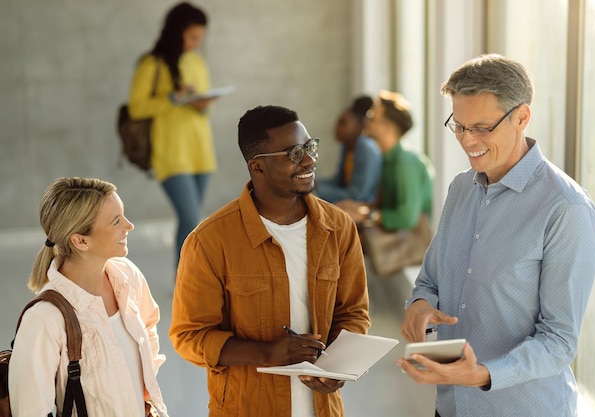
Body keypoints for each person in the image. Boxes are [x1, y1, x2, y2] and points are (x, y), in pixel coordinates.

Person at [397, 54, 595, 417]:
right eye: (458, 126)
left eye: (481, 127)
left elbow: (559, 340)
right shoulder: (461, 188)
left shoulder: (566, 209)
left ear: (522, 117)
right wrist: (419, 305)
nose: (466, 140)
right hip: (451, 405)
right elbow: (430, 279)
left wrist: (483, 374)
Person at [169, 105, 371, 417]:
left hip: (323, 409)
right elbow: (189, 337)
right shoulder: (209, 241)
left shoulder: (339, 227)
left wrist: (338, 367)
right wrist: (267, 353)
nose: (309, 159)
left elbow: (353, 313)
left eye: (309, 147)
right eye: (293, 153)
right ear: (257, 167)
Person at [9, 177, 168, 417]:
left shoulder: (128, 276)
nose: (129, 225)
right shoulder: (44, 319)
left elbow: (148, 328)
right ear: (81, 241)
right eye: (116, 221)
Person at [127, 2, 217, 268]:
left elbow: (204, 109)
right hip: (171, 153)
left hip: (200, 150)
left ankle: (183, 282)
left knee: (189, 222)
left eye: (200, 37)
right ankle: (189, 284)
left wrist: (201, 104)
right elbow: (136, 108)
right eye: (192, 37)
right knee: (191, 220)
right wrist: (172, 99)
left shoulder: (197, 62)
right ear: (176, 31)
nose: (197, 43)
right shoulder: (151, 64)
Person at [336, 90, 434, 232]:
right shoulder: (387, 159)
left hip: (408, 250)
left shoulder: (405, 162)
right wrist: (358, 208)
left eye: (371, 117)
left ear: (387, 129)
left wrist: (365, 215)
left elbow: (407, 217)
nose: (365, 121)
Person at [316, 95, 382, 204]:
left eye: (343, 123)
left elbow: (358, 195)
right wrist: (311, 183)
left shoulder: (366, 148)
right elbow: (338, 181)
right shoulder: (347, 147)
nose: (336, 128)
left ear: (359, 126)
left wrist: (317, 189)